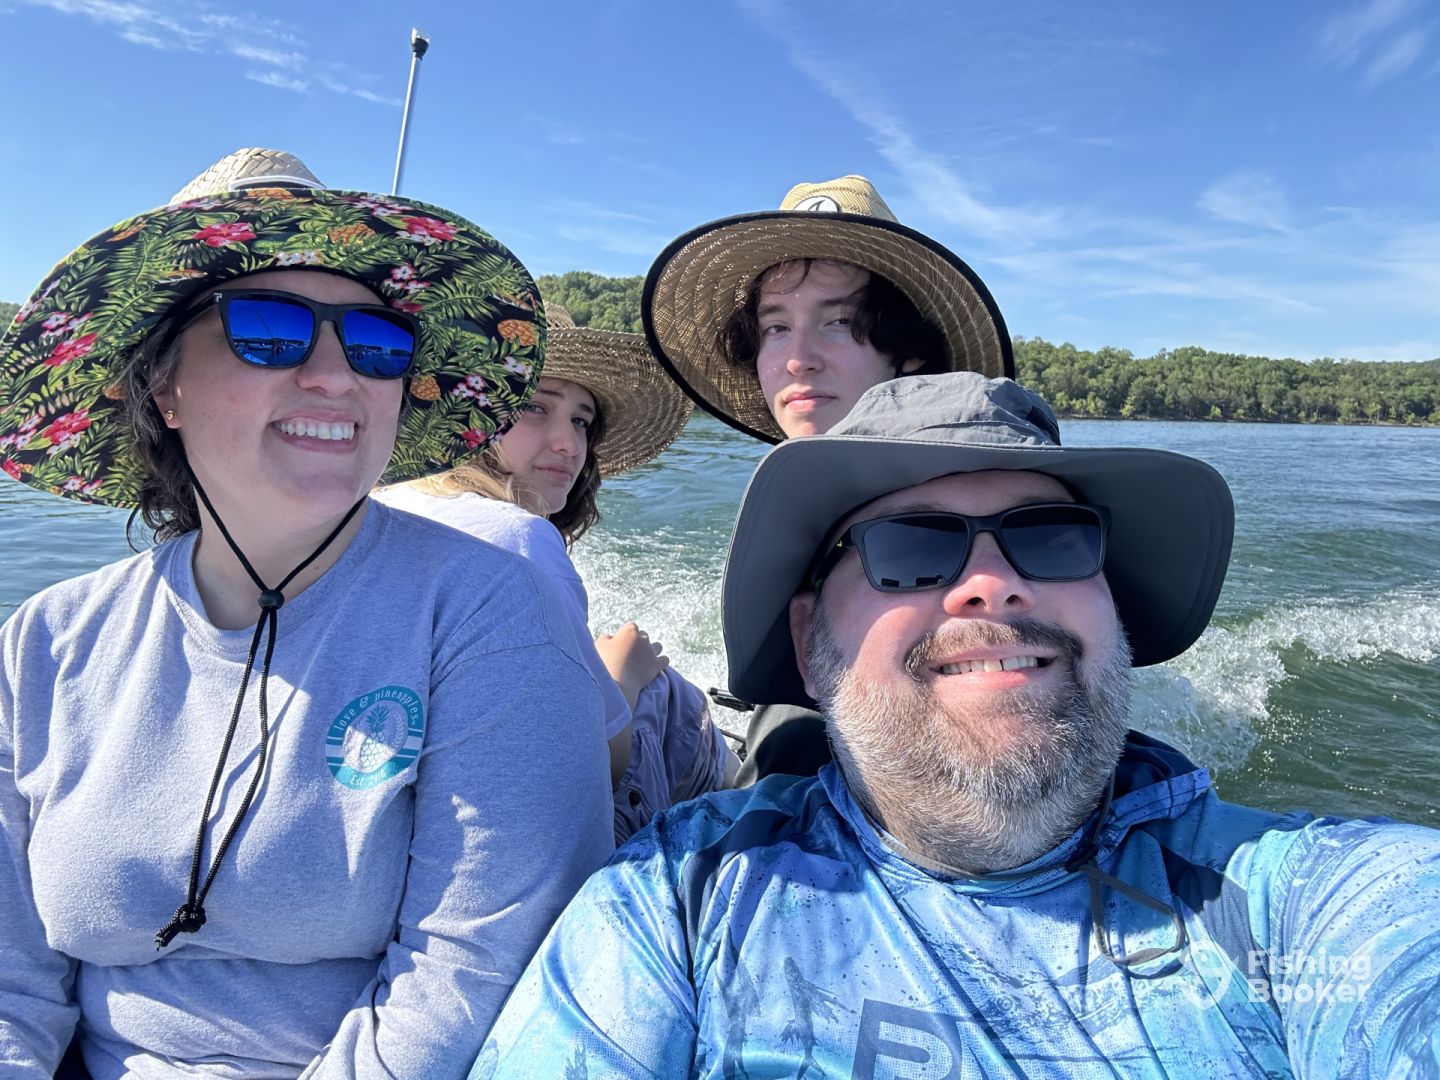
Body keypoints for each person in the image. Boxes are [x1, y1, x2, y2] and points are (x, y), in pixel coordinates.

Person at [475, 373, 1440, 1078]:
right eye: (909, 547)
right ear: (810, 641)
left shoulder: (1301, 903)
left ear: (1113, 605)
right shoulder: (682, 896)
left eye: (1053, 538)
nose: (993, 582)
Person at [0, 148, 614, 1079]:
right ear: (163, 386)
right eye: (267, 328)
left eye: (377, 344)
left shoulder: (486, 609)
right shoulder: (45, 643)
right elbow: (11, 987)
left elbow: (475, 970)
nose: (336, 375)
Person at [644, 173, 1017, 781]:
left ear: (907, 351)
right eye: (776, 327)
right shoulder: (801, 502)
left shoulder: (974, 502)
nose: (798, 359)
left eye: (839, 322)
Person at [378, 302, 739, 840]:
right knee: (665, 692)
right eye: (533, 408)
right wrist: (626, 674)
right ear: (471, 415)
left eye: (580, 420)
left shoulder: (386, 507)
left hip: (417, 811)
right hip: (508, 836)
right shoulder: (518, 538)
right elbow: (600, 762)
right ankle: (751, 805)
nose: (570, 444)